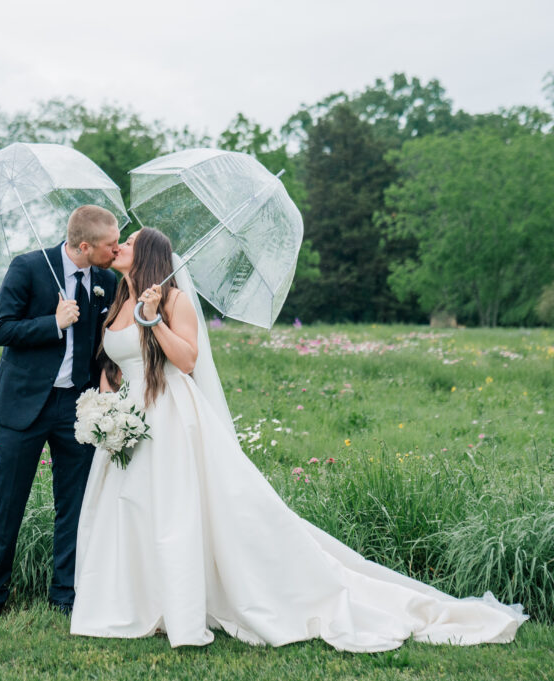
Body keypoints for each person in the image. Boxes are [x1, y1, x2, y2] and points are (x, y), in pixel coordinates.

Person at [69, 227, 528, 651]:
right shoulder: (116, 301)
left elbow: (187, 362)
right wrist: (106, 412)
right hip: (130, 420)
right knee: (133, 507)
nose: (119, 246)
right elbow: (114, 362)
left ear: (147, 254)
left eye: (128, 242)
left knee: (177, 510)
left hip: (171, 416)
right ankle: (142, 601)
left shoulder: (172, 300)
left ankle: (202, 601)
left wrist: (154, 321)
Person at [0, 205, 121, 621]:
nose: (115, 251)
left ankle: (65, 594)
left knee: (74, 504)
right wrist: (53, 323)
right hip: (24, 406)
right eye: (109, 245)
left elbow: (103, 347)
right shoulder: (27, 268)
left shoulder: (106, 281)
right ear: (83, 246)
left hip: (77, 409)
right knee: (9, 503)